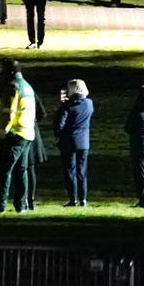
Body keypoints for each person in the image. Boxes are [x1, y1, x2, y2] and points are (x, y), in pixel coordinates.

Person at [0, 60, 35, 214]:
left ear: (10, 72)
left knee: (5, 170)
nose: (0, 74)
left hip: (13, 134)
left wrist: (2, 131)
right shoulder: (27, 86)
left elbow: (8, 112)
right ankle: (21, 205)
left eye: (2, 71)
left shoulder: (12, 87)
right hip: (27, 133)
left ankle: (0, 205)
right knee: (21, 170)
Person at [54, 79, 94, 207]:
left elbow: (59, 123)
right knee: (82, 170)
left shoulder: (67, 106)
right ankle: (83, 198)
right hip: (84, 141)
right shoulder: (89, 103)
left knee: (70, 170)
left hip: (69, 141)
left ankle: (73, 198)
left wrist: (62, 105)